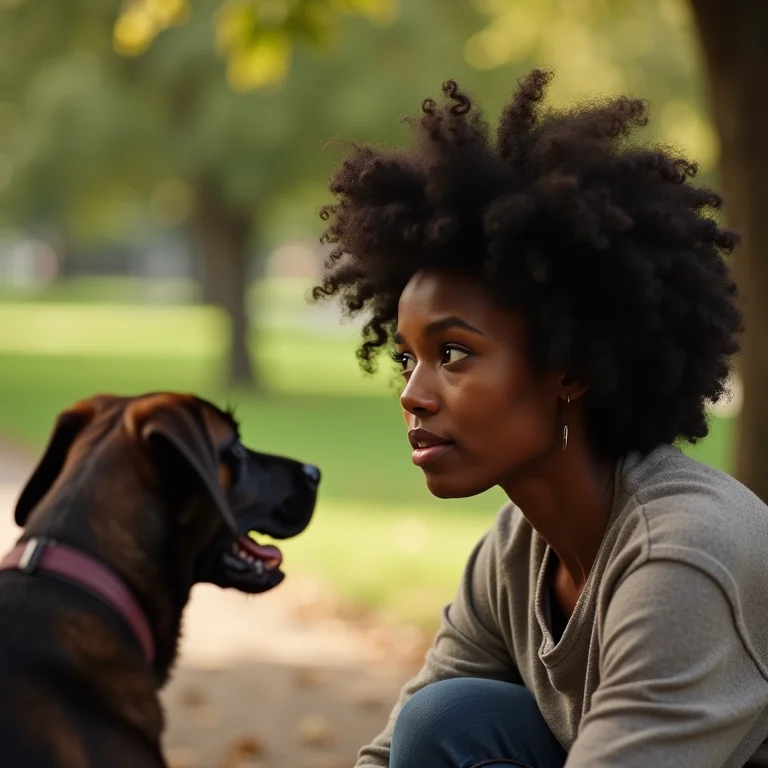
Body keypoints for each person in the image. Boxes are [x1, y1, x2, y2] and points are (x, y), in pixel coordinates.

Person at [310, 69, 768, 768]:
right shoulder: (516, 551)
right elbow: (396, 748)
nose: (413, 394)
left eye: (453, 353)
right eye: (407, 358)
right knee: (444, 721)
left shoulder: (682, 556)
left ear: (571, 368)